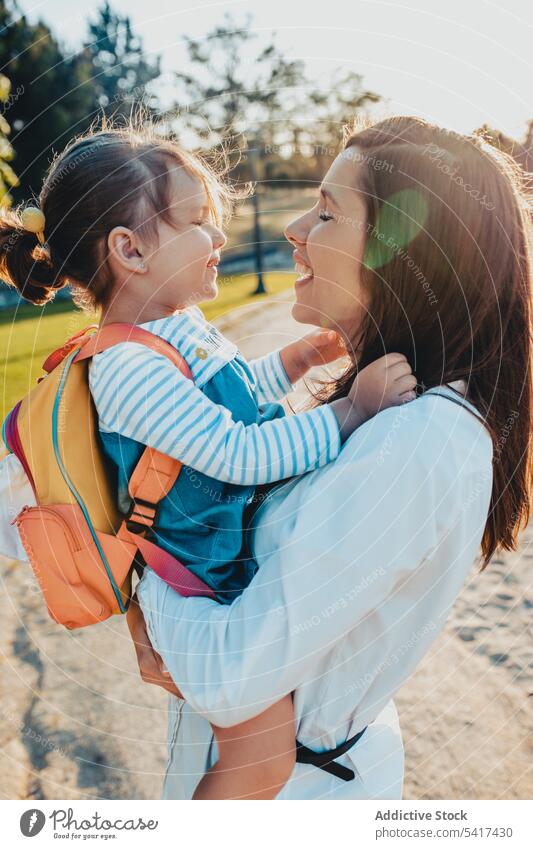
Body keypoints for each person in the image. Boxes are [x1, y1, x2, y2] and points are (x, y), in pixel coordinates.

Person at [0, 122, 417, 800]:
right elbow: (234, 451)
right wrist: (350, 410)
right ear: (130, 250)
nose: (219, 236)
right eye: (197, 220)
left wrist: (294, 360)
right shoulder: (125, 367)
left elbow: (227, 405)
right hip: (194, 584)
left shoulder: (175, 329)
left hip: (215, 564)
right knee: (260, 759)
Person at [127, 116, 533, 799]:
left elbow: (231, 674)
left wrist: (142, 580)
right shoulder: (392, 413)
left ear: (404, 252)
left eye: (327, 212)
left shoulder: (419, 442)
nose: (294, 229)